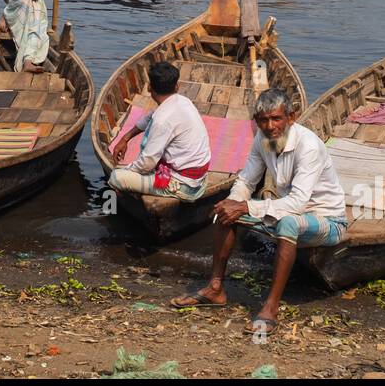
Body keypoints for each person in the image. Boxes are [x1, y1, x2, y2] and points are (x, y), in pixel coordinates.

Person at [169, 87, 347, 336]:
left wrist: (246, 206)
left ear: (291, 118)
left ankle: (271, 307)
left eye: (276, 118)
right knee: (224, 211)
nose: (270, 125)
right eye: (263, 120)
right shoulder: (262, 140)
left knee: (288, 224)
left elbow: (297, 202)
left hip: (327, 221)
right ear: (257, 121)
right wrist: (232, 203)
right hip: (288, 211)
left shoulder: (308, 146)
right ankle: (215, 288)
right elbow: (246, 181)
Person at [106, 62, 211, 202]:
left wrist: (126, 171)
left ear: (149, 88)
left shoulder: (162, 121)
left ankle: (123, 203)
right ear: (176, 87)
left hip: (185, 185)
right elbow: (150, 117)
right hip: (198, 175)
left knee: (116, 177)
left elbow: (147, 162)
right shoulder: (182, 100)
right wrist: (125, 138)